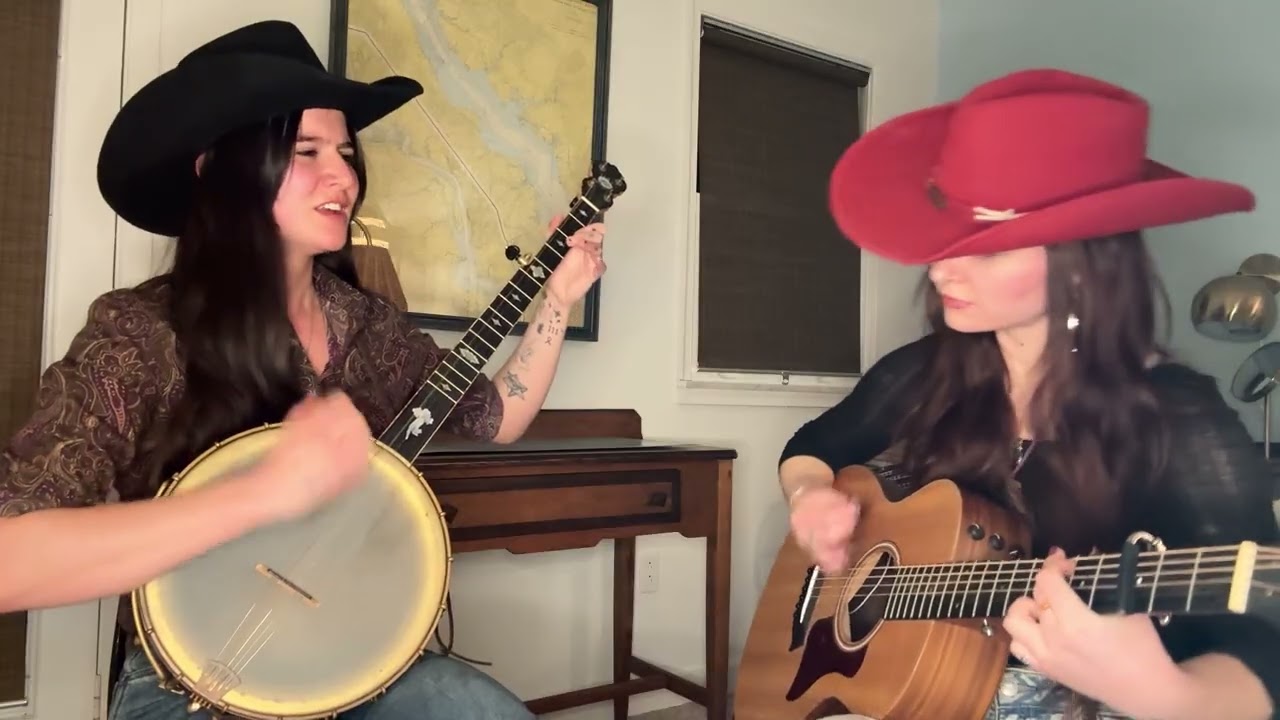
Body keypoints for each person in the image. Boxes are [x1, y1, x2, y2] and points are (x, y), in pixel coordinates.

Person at [0, 19, 605, 720]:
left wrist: (557, 300)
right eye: (306, 150)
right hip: (197, 685)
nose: (344, 176)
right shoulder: (139, 333)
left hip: (354, 658)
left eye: (346, 152)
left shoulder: (368, 327)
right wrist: (263, 493)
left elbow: (495, 416)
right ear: (217, 169)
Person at [780, 68, 1280, 720]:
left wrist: (1164, 694)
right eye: (949, 238)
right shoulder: (929, 369)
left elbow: (1260, 647)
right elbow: (813, 447)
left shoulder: (1177, 415)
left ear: (1082, 266)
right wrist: (809, 494)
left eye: (987, 249)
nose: (939, 268)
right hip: (920, 685)